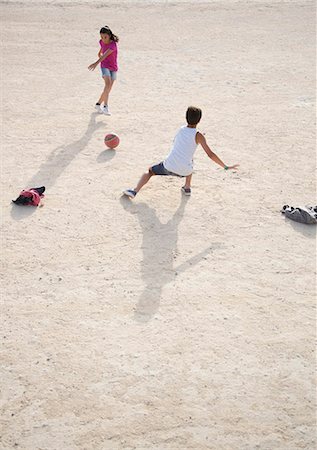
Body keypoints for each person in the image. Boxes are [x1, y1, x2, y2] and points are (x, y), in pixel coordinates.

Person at [123, 106, 239, 198]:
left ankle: (134, 191)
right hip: (185, 171)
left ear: (186, 117)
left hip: (168, 166)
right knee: (190, 161)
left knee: (150, 171)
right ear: (199, 120)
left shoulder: (181, 129)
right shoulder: (199, 136)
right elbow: (210, 154)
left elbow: (184, 140)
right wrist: (225, 166)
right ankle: (187, 187)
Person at [88, 26, 119, 116]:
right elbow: (101, 52)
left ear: (109, 36)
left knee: (108, 89)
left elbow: (104, 55)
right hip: (104, 66)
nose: (103, 39)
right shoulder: (101, 42)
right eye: (101, 37)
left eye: (105, 37)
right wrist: (99, 59)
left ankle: (98, 104)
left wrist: (96, 63)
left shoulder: (113, 45)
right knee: (107, 85)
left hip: (113, 67)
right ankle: (105, 106)